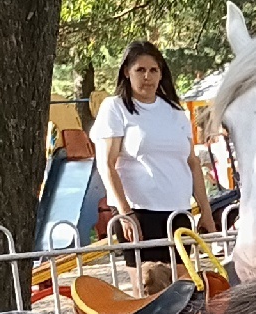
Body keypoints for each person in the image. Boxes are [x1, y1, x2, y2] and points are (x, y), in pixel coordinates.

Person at [90, 41, 214, 265]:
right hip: (138, 214)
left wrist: (205, 211)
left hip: (178, 213)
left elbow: (193, 163)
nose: (147, 76)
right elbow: (107, 164)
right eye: (140, 70)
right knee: (148, 291)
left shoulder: (175, 112)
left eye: (153, 70)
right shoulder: (115, 107)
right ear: (127, 72)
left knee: (183, 290)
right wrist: (125, 213)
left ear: (161, 73)